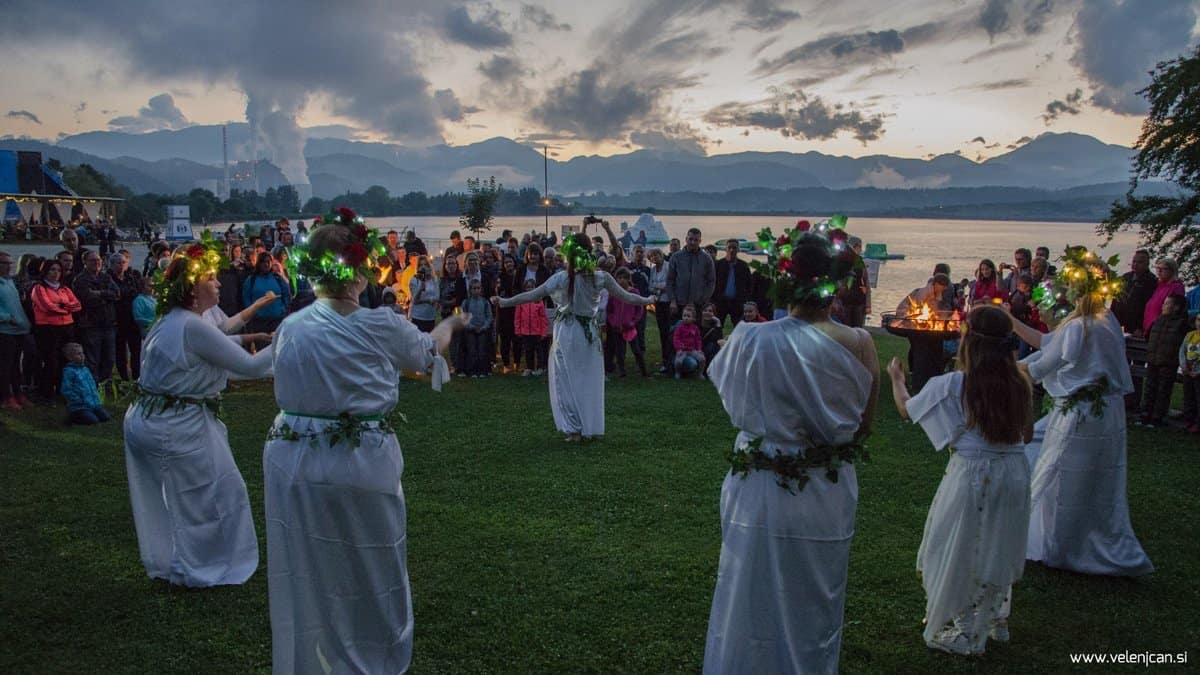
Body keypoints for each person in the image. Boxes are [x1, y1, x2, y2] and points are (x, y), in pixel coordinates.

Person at [263, 214, 464, 675]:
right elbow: (427, 351)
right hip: (358, 462)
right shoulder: (380, 323)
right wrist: (451, 323)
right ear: (357, 270)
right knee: (374, 563)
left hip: (292, 463)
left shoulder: (293, 326)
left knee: (313, 566)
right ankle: (372, 656)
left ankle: (319, 654)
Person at [703, 232, 879, 675]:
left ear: (783, 281)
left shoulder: (748, 339)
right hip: (823, 489)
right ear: (836, 285)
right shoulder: (859, 343)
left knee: (749, 590)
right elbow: (864, 427)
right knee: (813, 599)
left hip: (758, 487)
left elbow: (729, 397)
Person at [123, 242, 275, 587]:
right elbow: (250, 368)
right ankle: (201, 568)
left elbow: (219, 338)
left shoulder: (172, 320)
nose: (218, 283)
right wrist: (288, 340)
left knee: (175, 498)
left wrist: (256, 312)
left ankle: (174, 559)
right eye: (210, 278)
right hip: (175, 426)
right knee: (207, 495)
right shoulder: (191, 326)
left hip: (148, 419)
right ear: (192, 288)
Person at [886, 305, 1033, 655]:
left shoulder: (954, 384)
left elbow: (907, 409)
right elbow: (1025, 435)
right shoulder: (1019, 382)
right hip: (1014, 471)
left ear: (970, 340)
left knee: (954, 547)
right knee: (996, 542)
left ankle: (967, 630)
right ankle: (996, 618)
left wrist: (897, 378)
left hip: (974, 474)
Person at [1009, 249, 1153, 577]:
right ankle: (1078, 539)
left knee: (1068, 481)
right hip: (1106, 414)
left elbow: (1045, 363)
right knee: (1095, 482)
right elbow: (1050, 343)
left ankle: (1064, 547)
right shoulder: (1105, 320)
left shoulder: (1082, 326)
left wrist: (1004, 369)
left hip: (1082, 414)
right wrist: (1013, 324)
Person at [496, 229, 654, 441]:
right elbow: (628, 297)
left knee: (566, 380)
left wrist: (505, 302)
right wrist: (648, 299)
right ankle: (586, 426)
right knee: (587, 380)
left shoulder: (563, 278)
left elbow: (532, 295)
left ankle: (574, 428)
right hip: (588, 333)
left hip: (568, 332)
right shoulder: (599, 278)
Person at [31, 258, 82, 400]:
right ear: (45, 271)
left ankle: (62, 390)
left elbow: (77, 305)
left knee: (65, 360)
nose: (56, 273)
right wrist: (66, 309)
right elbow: (47, 307)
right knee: (50, 361)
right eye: (52, 270)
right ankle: (46, 393)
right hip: (48, 328)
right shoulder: (39, 288)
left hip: (67, 327)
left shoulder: (64, 288)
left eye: (58, 270)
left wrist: (62, 307)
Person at [1139, 294, 1189, 428]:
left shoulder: (1182, 323)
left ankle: (1157, 416)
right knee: (1149, 387)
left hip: (1168, 362)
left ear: (1176, 307)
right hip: (1153, 359)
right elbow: (1149, 336)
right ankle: (1145, 414)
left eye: (1167, 304)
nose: (1163, 306)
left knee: (1163, 390)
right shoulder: (1158, 320)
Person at [73, 250, 120, 384]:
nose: (97, 263)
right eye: (93, 260)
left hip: (109, 324)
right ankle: (93, 386)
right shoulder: (81, 280)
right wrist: (105, 296)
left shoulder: (106, 277)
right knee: (93, 359)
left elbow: (116, 294)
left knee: (109, 359)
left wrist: (99, 293)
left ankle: (104, 384)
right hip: (91, 325)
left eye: (98, 260)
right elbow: (87, 299)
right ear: (85, 263)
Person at [0, 250, 31, 411]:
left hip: (19, 329)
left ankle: (18, 393)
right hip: (5, 330)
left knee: (15, 366)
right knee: (5, 365)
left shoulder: (10, 282)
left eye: (10, 263)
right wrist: (7, 317)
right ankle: (6, 397)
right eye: (4, 263)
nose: (8, 266)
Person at [604, 267, 647, 377]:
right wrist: (613, 322)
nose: (621, 280)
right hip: (617, 328)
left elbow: (639, 308)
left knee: (636, 349)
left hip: (630, 327)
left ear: (629, 279)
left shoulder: (634, 292)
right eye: (619, 278)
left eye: (624, 277)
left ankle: (644, 371)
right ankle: (622, 371)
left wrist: (634, 321)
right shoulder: (614, 293)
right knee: (620, 351)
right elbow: (609, 310)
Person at [109, 253, 144, 381]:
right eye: (118, 263)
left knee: (136, 350)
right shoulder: (108, 278)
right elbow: (114, 295)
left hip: (132, 318)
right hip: (117, 319)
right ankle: (124, 377)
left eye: (123, 262)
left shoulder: (131, 277)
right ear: (111, 264)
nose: (121, 265)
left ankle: (137, 377)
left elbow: (138, 291)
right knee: (120, 351)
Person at [667, 228, 714, 324]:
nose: (693, 242)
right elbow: (670, 280)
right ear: (686, 239)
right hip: (679, 303)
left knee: (697, 333)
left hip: (698, 304)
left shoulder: (707, 259)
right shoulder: (676, 257)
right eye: (690, 239)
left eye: (696, 240)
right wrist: (672, 300)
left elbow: (711, 281)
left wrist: (704, 300)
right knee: (677, 332)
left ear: (700, 241)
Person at [60, 342, 111, 425]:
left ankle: (91, 412)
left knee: (106, 417)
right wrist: (78, 399)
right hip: (79, 406)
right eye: (78, 354)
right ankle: (73, 417)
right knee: (93, 421)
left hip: (93, 403)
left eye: (82, 353)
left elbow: (92, 385)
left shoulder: (85, 369)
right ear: (69, 357)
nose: (82, 356)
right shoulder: (68, 371)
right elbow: (66, 389)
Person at [1110, 250, 1155, 335]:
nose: (1135, 264)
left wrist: (1140, 327)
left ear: (1147, 264)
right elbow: (1116, 299)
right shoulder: (1126, 277)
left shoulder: (1151, 281)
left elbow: (1148, 307)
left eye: (1139, 262)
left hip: (1135, 326)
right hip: (1118, 322)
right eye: (1134, 261)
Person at [713, 239, 752, 329]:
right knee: (717, 327)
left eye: (734, 248)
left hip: (738, 302)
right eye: (729, 247)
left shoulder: (743, 266)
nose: (731, 250)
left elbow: (749, 285)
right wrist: (713, 300)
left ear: (738, 249)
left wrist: (746, 300)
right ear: (725, 249)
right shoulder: (718, 265)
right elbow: (712, 283)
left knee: (739, 327)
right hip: (720, 302)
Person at [1142, 257, 1185, 335]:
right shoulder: (1159, 286)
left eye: (1163, 269)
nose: (1159, 271)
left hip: (1163, 330)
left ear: (1172, 270)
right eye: (1158, 268)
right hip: (1150, 329)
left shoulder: (1176, 287)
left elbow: (1175, 311)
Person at [514, 278, 547, 375]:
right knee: (528, 350)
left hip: (536, 331)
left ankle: (540, 368)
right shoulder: (521, 301)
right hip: (525, 331)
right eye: (528, 287)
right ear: (524, 289)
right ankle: (529, 368)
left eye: (532, 287)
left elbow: (543, 317)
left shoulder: (538, 301)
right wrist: (518, 330)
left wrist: (543, 331)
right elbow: (517, 317)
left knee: (538, 350)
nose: (530, 289)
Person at [462, 279, 493, 377]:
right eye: (474, 288)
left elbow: (489, 316)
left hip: (482, 330)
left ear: (481, 289)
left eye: (478, 288)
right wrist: (471, 327)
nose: (476, 290)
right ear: (470, 290)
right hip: (470, 330)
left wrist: (484, 327)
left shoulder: (485, 302)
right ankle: (472, 371)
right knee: (472, 351)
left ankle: (482, 370)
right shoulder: (466, 302)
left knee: (482, 351)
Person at [1179, 313, 1200, 433]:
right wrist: (1183, 365)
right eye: (1198, 320)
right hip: (1188, 370)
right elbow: (1182, 350)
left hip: (1198, 373)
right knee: (1188, 397)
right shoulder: (1190, 335)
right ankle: (1188, 420)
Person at [672, 304, 705, 379]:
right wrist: (678, 349)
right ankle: (677, 372)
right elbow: (676, 338)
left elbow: (698, 339)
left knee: (702, 359)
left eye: (688, 316)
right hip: (682, 350)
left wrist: (699, 349)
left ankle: (700, 373)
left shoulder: (695, 328)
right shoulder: (679, 328)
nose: (686, 318)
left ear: (693, 318)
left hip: (692, 350)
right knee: (678, 361)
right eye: (684, 315)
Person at [408, 260, 439, 333]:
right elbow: (415, 300)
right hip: (417, 316)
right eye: (421, 265)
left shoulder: (434, 279)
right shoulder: (414, 280)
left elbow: (437, 296)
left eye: (425, 264)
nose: (423, 267)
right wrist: (421, 287)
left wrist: (423, 300)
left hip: (430, 316)